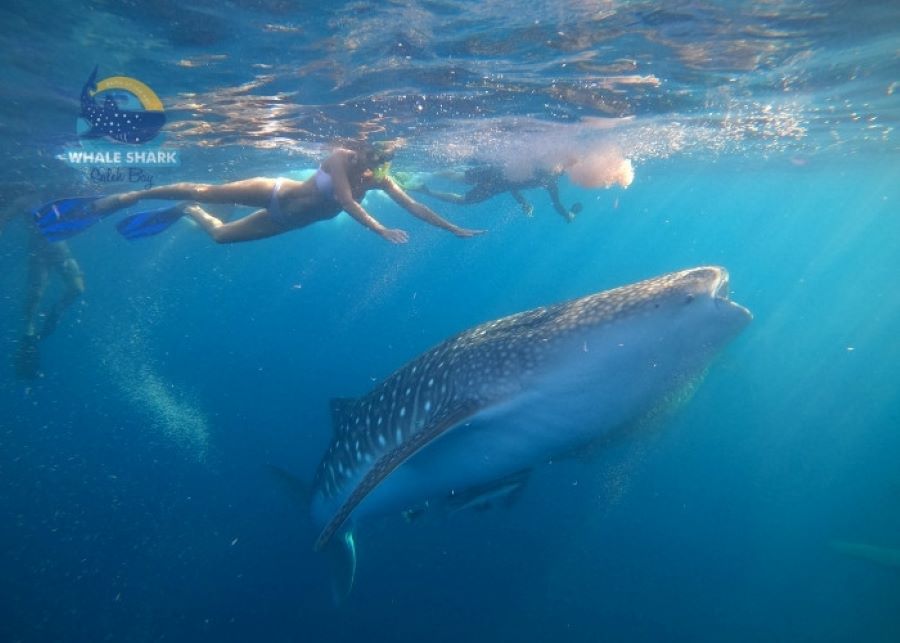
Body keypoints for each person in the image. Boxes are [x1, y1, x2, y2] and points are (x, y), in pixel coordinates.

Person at [36, 142, 485, 244]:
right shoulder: (339, 158)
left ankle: (187, 211)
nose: (375, 173)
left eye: (380, 167)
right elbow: (346, 201)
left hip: (284, 220)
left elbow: (417, 205)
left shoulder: (382, 178)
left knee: (218, 237)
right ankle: (126, 197)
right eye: (371, 164)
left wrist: (455, 227)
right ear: (361, 155)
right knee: (207, 188)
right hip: (274, 192)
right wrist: (381, 228)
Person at [1, 190, 85, 379]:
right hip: (38, 253)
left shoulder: (60, 198)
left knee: (77, 289)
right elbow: (5, 217)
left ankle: (55, 312)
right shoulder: (25, 199)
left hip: (62, 251)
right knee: (36, 293)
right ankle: (29, 335)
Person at [408, 165, 583, 222]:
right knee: (462, 186)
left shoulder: (546, 177)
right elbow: (558, 205)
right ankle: (426, 185)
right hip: (497, 182)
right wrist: (569, 214)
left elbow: (514, 183)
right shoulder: (548, 180)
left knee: (461, 180)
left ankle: (426, 180)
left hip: (496, 177)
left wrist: (522, 202)